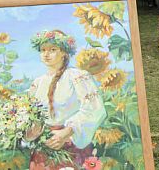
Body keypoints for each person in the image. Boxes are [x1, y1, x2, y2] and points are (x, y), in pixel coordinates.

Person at [26, 29, 106, 169]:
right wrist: (32, 133)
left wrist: (66, 132)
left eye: (52, 49)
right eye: (43, 50)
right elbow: (31, 115)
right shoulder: (37, 83)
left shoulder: (77, 77)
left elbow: (95, 109)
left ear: (64, 52)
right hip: (44, 148)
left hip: (71, 146)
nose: (46, 54)